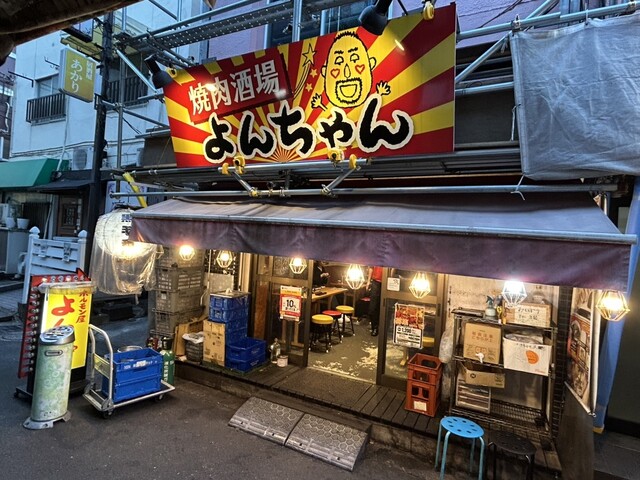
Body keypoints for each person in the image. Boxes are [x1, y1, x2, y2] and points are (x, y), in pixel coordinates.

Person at [365, 265, 383, 336]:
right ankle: (374, 327)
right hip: (375, 281)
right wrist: (368, 281)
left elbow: (392, 268)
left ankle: (380, 327)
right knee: (373, 307)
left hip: (386, 281)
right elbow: (371, 267)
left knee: (382, 306)